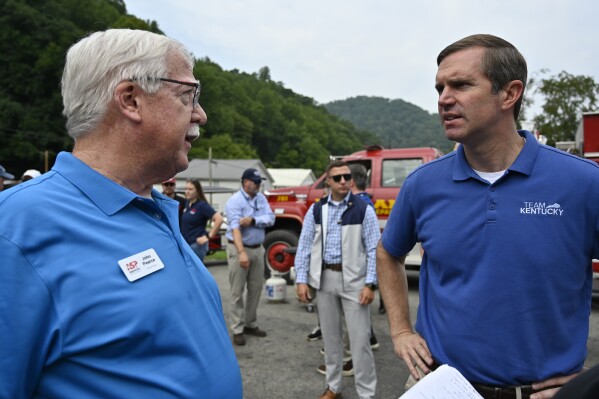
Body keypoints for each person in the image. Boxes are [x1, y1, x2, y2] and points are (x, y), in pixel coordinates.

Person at [0, 29, 242, 398]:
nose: (201, 115)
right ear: (130, 99)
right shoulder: (17, 231)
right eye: (188, 95)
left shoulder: (154, 206)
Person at [377, 33, 599, 399]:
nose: (444, 99)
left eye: (461, 85)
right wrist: (400, 331)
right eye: (439, 88)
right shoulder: (423, 185)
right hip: (441, 387)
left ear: (509, 94)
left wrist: (593, 383)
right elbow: (388, 253)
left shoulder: (583, 183)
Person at [296, 160, 380, 399]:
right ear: (328, 181)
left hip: (355, 282)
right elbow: (304, 245)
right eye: (338, 177)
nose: (344, 181)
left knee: (360, 342)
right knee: (331, 340)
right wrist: (302, 279)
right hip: (324, 280)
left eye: (347, 177)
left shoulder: (363, 209)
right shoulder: (316, 209)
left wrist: (370, 283)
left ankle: (367, 394)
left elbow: (374, 249)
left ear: (352, 181)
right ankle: (334, 387)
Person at [225, 167, 275, 346]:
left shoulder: (261, 198)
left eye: (259, 181)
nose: (258, 184)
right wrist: (241, 253)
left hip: (257, 248)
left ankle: (250, 323)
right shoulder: (235, 201)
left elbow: (271, 218)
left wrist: (254, 220)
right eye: (255, 181)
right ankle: (237, 328)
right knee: (237, 291)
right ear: (245, 182)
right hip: (240, 248)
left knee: (256, 288)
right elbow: (235, 228)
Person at [182, 178, 223, 262]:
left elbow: (219, 219)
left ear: (197, 191)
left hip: (196, 245)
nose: (187, 191)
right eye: (186, 189)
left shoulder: (202, 205)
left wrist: (208, 236)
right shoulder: (187, 204)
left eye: (190, 189)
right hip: (187, 244)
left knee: (195, 273)